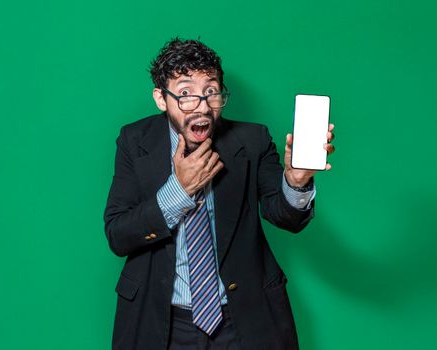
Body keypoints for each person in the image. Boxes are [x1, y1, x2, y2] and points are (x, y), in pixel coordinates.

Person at [104, 38, 335, 350]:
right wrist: (179, 190)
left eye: (211, 91)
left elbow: (286, 217)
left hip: (244, 318)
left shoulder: (252, 140)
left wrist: (295, 182)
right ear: (161, 98)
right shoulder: (135, 141)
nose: (201, 105)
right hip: (161, 321)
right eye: (185, 93)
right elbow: (119, 235)